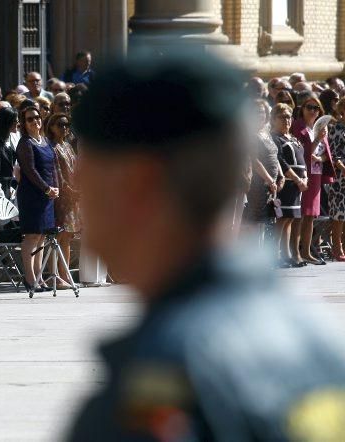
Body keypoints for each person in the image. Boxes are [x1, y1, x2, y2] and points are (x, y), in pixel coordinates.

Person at [67, 51, 345, 441]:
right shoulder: (320, 342)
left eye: (88, 177)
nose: (77, 193)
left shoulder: (159, 378)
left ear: (137, 184)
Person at [16, 106, 58, 292]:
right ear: (24, 123)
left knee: (41, 236)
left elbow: (52, 167)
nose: (35, 121)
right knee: (32, 235)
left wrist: (55, 187)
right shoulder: (25, 143)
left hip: (47, 195)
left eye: (37, 117)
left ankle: (39, 277)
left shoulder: (45, 141)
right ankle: (30, 278)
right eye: (30, 119)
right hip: (32, 194)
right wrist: (47, 188)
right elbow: (30, 171)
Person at [291, 94, 335, 265]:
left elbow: (326, 153)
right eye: (309, 107)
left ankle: (307, 251)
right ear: (302, 109)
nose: (312, 110)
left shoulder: (320, 127)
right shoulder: (298, 127)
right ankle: (296, 251)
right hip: (304, 174)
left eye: (316, 108)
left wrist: (321, 159)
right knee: (300, 214)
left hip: (316, 174)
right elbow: (301, 152)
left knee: (311, 215)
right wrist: (316, 140)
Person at [273, 103, 309, 268]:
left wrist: (305, 177)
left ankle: (287, 254)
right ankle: (276, 255)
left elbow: (303, 160)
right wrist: (296, 179)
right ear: (274, 119)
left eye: (289, 117)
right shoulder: (275, 138)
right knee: (282, 219)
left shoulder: (293, 138)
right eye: (282, 117)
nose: (287, 120)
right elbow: (281, 161)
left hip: (298, 184)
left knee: (290, 219)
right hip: (287, 183)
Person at [244, 99, 285, 244]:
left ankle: (260, 251)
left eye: (262, 111)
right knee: (256, 220)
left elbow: (274, 155)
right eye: (256, 112)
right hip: (258, 183)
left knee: (264, 221)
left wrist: (281, 176)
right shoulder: (251, 134)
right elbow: (255, 161)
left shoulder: (266, 132)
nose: (260, 115)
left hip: (270, 185)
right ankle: (254, 254)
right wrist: (269, 179)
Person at [46, 113, 79, 288]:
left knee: (67, 236)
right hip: (60, 197)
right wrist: (70, 191)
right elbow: (57, 175)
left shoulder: (66, 145)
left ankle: (64, 275)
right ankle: (56, 275)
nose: (64, 128)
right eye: (60, 124)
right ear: (51, 126)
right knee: (59, 236)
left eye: (67, 124)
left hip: (73, 196)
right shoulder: (51, 147)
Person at [327, 98, 345, 260]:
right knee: (339, 214)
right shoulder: (336, 128)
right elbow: (333, 154)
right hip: (340, 178)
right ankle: (336, 247)